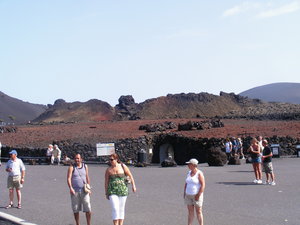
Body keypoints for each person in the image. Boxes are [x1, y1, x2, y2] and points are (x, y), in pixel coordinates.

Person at [105, 153, 136, 225]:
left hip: (123, 190)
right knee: (115, 208)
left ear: (116, 159)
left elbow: (130, 175)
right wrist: (106, 192)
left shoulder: (123, 166)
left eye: (112, 159)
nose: (110, 161)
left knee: (121, 209)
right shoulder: (108, 170)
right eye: (109, 160)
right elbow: (106, 182)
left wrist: (133, 186)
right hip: (112, 191)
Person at [67, 153, 91, 225]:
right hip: (75, 191)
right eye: (75, 158)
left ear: (81, 159)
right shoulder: (71, 167)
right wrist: (71, 188)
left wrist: (89, 187)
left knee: (88, 208)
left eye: (78, 158)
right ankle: (77, 223)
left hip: (84, 190)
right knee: (76, 209)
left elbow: (87, 177)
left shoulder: (85, 166)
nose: (77, 160)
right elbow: (68, 178)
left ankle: (88, 224)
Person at [184, 158, 205, 225]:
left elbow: (203, 185)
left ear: (194, 165)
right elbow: (186, 183)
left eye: (189, 164)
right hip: (188, 195)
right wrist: (184, 192)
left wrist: (198, 195)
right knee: (190, 212)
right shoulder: (189, 173)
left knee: (198, 211)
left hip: (196, 195)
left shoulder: (199, 173)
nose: (188, 165)